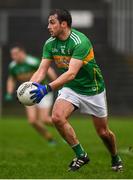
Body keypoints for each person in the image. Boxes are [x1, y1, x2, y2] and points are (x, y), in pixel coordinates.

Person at [29, 9, 123, 171]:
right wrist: (28, 88)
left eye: (52, 22)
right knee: (57, 117)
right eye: (48, 23)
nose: (48, 26)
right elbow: (42, 70)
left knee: (103, 132)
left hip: (93, 89)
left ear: (64, 24)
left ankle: (115, 157)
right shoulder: (50, 43)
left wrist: (47, 88)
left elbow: (71, 73)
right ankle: (81, 155)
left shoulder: (80, 42)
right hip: (71, 88)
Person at [5, 44, 57, 145]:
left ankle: (63, 129)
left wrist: (56, 82)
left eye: (16, 54)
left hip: (42, 92)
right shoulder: (13, 66)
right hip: (27, 94)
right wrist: (9, 92)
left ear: (22, 52)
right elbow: (11, 79)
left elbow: (47, 69)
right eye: (12, 54)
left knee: (45, 119)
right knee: (32, 121)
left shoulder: (32, 61)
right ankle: (50, 139)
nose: (14, 56)